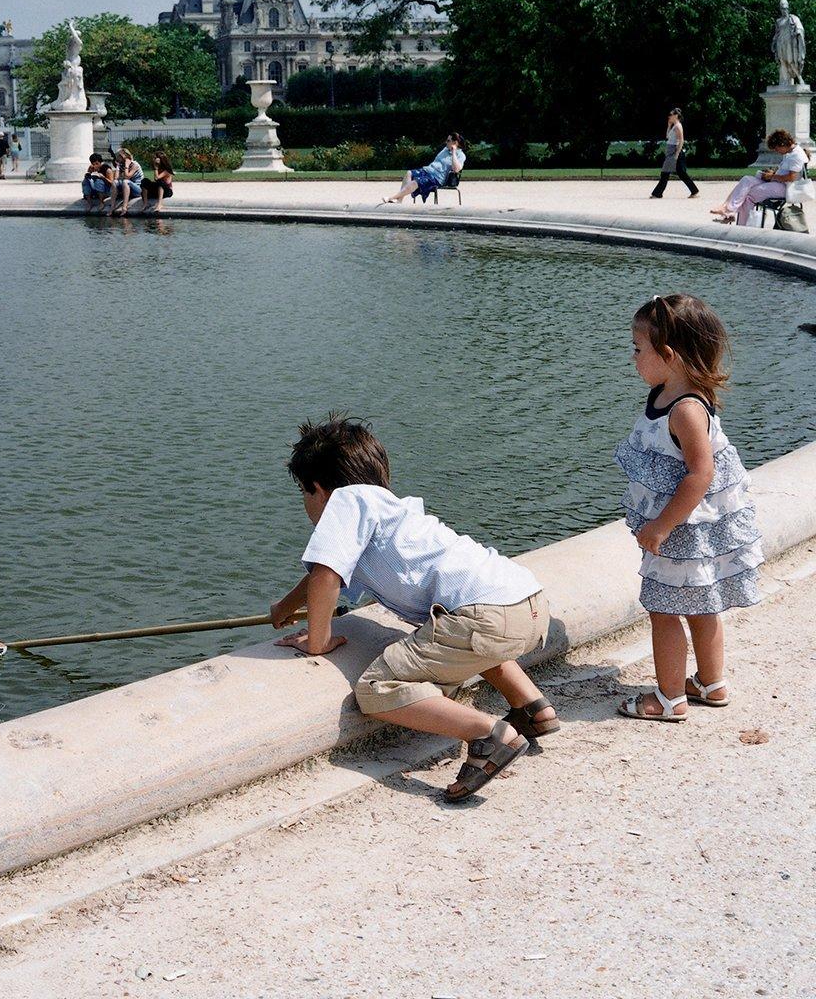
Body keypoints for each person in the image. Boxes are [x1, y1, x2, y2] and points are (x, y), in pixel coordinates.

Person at [271, 415, 556, 803]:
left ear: (318, 489)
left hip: (485, 616)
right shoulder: (389, 508)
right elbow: (324, 576)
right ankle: (532, 707)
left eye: (304, 494)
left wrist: (317, 642)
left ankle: (488, 734)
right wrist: (286, 606)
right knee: (461, 640)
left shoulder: (344, 502)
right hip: (526, 601)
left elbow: (327, 573)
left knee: (376, 687)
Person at [614, 295, 761, 720]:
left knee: (664, 610)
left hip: (682, 528)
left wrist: (660, 526)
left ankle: (669, 698)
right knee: (702, 603)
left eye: (638, 349)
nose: (633, 358)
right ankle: (711, 684)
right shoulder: (671, 394)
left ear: (668, 355)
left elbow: (701, 474)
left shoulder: (685, 410)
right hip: (694, 528)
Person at [711, 129, 810, 225]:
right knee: (746, 180)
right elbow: (786, 172)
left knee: (748, 195)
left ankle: (740, 224)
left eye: (776, 148)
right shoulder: (790, 152)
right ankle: (728, 210)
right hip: (779, 183)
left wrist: (772, 176)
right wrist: (771, 174)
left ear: (783, 144)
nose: (776, 151)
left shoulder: (796, 155)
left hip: (786, 188)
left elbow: (791, 177)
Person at [382, 133, 467, 203]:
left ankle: (391, 197)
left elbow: (456, 169)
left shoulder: (461, 155)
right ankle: (400, 200)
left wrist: (454, 152)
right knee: (409, 173)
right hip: (428, 171)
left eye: (448, 141)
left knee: (415, 182)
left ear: (455, 143)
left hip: (437, 178)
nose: (446, 142)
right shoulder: (445, 150)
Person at [649, 108, 700, 198]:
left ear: (676, 116)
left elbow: (681, 140)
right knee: (681, 173)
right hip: (672, 152)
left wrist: (676, 154)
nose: (669, 116)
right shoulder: (674, 126)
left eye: (671, 114)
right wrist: (669, 125)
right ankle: (694, 191)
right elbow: (667, 136)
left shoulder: (678, 126)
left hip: (674, 152)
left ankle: (657, 194)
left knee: (665, 173)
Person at [110, 148, 143, 215]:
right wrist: (119, 168)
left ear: (122, 156)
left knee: (125, 181)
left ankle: (124, 207)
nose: (116, 159)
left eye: (117, 157)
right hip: (126, 189)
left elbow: (127, 176)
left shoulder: (135, 165)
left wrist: (127, 166)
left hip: (137, 190)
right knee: (114, 182)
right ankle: (112, 207)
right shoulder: (120, 165)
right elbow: (116, 178)